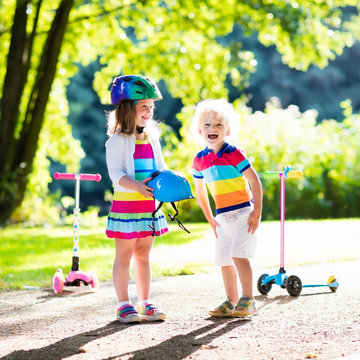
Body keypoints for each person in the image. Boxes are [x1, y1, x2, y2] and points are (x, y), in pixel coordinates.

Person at [105, 75, 168, 323]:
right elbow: (116, 174)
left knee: (143, 254)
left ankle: (144, 302)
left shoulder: (152, 138)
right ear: (127, 108)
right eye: (144, 106)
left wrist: (168, 183)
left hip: (148, 208)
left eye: (151, 107)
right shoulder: (117, 141)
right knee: (124, 255)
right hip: (127, 208)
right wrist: (137, 187)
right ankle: (123, 304)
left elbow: (160, 168)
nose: (149, 112)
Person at [191, 98, 262, 317]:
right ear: (200, 130)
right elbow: (200, 191)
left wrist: (256, 211)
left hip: (243, 212)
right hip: (222, 216)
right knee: (224, 259)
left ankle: (248, 299)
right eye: (207, 125)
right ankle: (231, 301)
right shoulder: (199, 160)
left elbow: (255, 181)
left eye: (218, 125)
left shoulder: (234, 153)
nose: (213, 129)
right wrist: (210, 217)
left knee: (239, 255)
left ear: (227, 129)